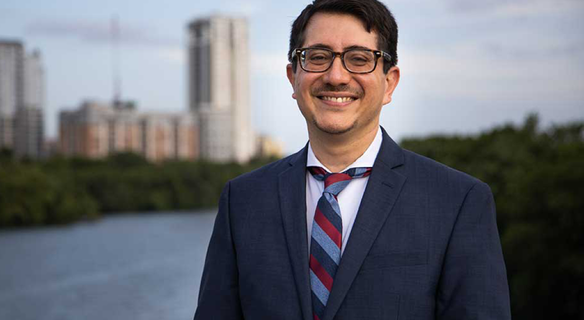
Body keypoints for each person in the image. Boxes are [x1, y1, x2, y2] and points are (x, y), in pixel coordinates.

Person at [194, 0, 511, 319]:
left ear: (390, 82)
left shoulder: (457, 201)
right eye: (317, 57)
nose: (336, 76)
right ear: (293, 77)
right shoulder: (243, 201)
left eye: (359, 59)